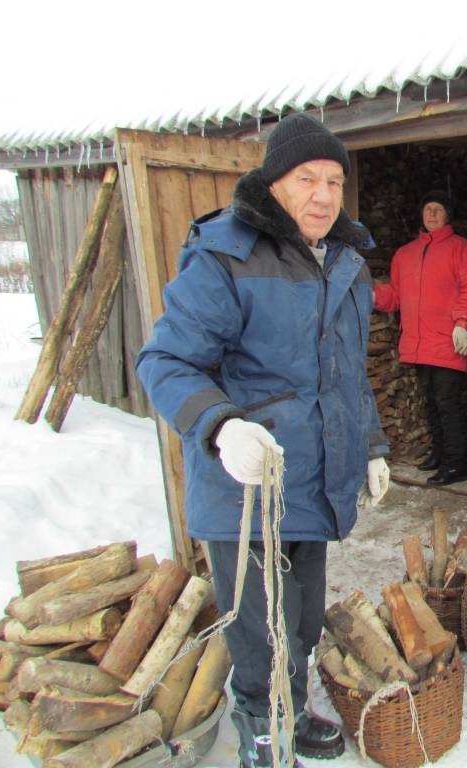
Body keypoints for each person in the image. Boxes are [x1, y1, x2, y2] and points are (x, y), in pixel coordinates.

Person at [136, 112, 390, 767]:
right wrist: (220, 427)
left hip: (311, 480)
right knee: (257, 626)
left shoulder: (346, 261)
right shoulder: (226, 254)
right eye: (307, 178)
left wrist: (372, 446)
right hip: (245, 484)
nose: (324, 195)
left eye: (335, 180)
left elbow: (346, 376)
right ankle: (258, 720)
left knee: (300, 619)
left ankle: (291, 705)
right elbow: (164, 362)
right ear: (274, 183)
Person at [373, 189, 467, 485]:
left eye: (438, 209)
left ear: (447, 215)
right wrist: (370, 293)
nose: (433, 214)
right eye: (428, 209)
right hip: (418, 342)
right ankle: (439, 454)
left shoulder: (463, 249)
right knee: (431, 402)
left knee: (448, 403)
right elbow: (395, 296)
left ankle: (455, 465)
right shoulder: (404, 254)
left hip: (450, 340)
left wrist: (463, 322)